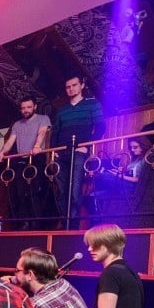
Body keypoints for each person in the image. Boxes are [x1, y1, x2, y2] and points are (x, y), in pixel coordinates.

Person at [51, 76, 105, 224]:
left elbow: (101, 128)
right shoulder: (62, 110)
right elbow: (55, 132)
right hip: (61, 152)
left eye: (74, 85)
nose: (71, 89)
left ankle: (73, 225)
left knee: (75, 189)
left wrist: (86, 145)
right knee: (61, 191)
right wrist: (54, 150)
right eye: (68, 87)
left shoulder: (92, 104)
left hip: (80, 151)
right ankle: (65, 223)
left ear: (82, 85)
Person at [0, 98, 52, 228]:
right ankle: (25, 221)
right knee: (20, 192)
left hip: (36, 157)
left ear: (35, 107)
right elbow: (10, 141)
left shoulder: (43, 118)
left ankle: (36, 222)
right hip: (21, 159)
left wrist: (37, 146)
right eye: (23, 108)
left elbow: (42, 132)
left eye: (28, 107)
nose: (26, 110)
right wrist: (2, 152)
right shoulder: (17, 124)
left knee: (35, 190)